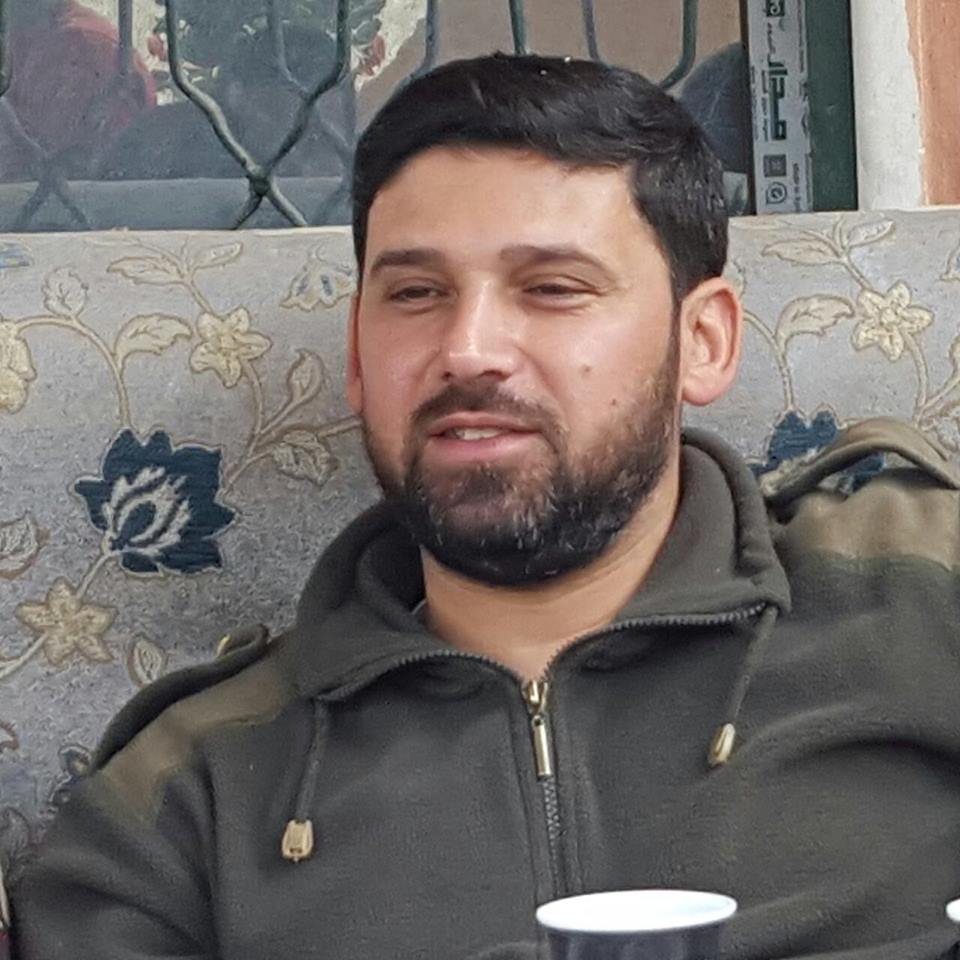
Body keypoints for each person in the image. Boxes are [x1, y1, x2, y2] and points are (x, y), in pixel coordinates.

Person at [12, 53, 960, 960]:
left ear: (703, 341)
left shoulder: (919, 592)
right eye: (416, 293)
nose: (467, 349)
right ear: (357, 355)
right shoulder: (187, 787)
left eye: (553, 289)